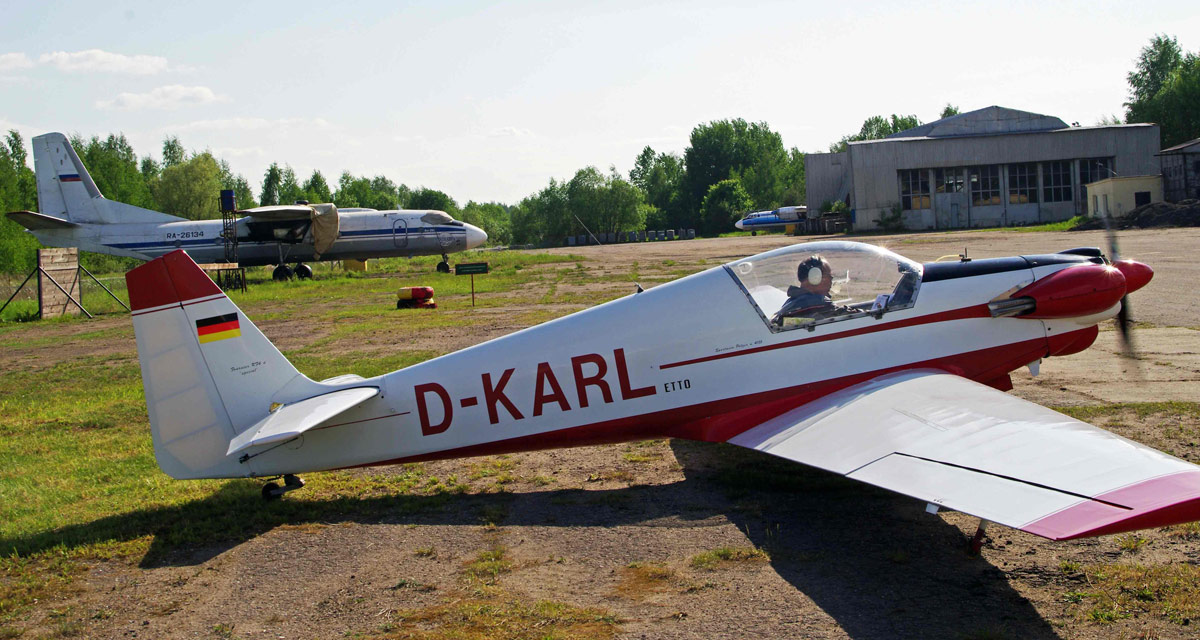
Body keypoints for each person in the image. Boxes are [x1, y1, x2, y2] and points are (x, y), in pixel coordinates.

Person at [772, 255, 853, 325]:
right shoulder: (817, 302)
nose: (831, 280)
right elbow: (841, 315)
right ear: (815, 278)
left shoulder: (792, 301)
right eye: (828, 276)